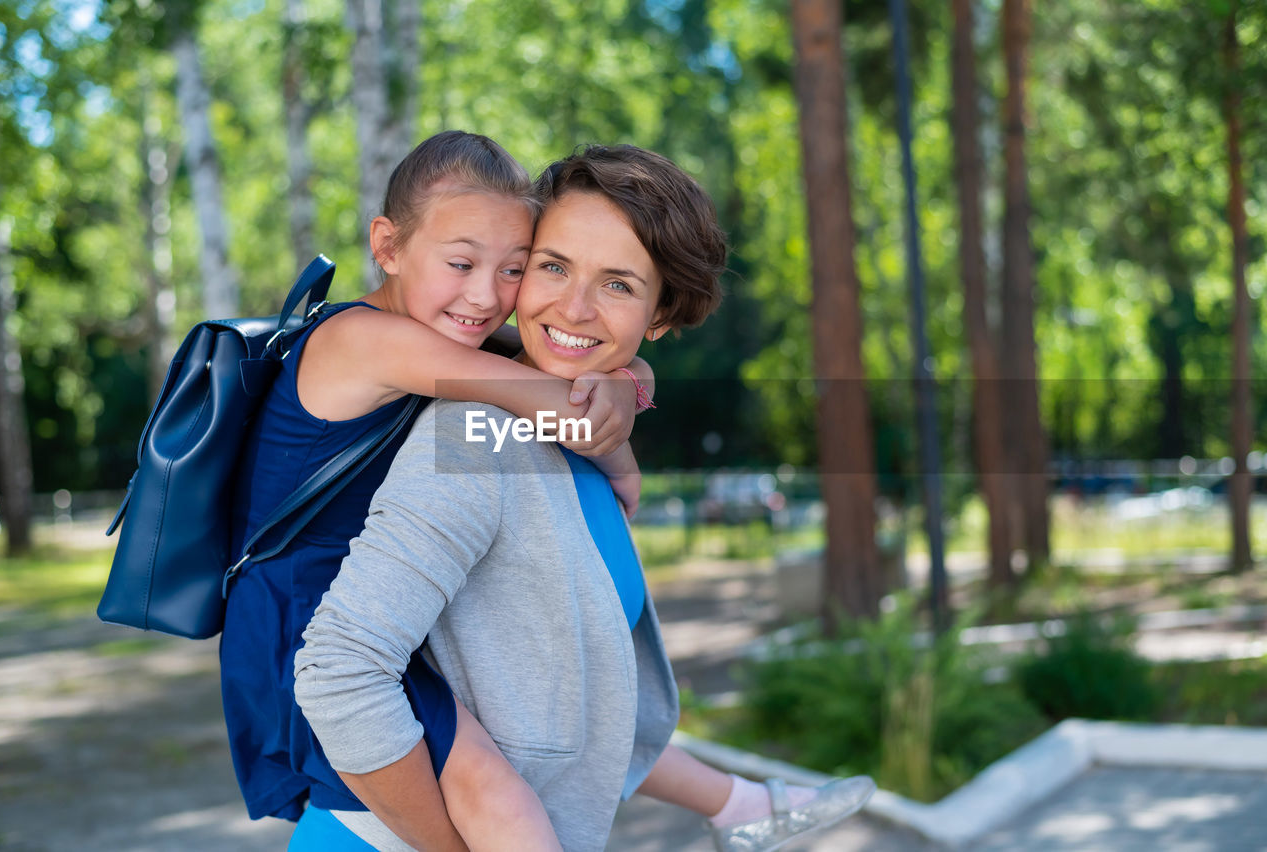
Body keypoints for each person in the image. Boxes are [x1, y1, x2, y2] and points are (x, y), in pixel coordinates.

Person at [294, 144, 875, 851]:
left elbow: (563, 698)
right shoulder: (475, 437)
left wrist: (628, 387)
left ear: (660, 318)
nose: (572, 306)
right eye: (553, 266)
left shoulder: (552, 430)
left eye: (619, 285)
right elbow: (340, 670)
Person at [220, 131, 655, 851]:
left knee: (501, 792)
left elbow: (593, 373)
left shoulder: (435, 337)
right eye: (461, 262)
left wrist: (627, 380)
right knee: (500, 805)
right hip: (310, 626)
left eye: (514, 270)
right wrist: (623, 446)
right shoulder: (368, 340)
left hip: (356, 616)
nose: (486, 297)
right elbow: (561, 404)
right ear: (387, 246)